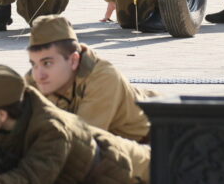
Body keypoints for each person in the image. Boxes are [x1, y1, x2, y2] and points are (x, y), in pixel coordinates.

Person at [0, 64, 150, 184]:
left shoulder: (51, 130)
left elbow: (31, 182)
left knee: (173, 167)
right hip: (102, 156)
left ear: (1, 115)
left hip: (126, 165)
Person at [24, 15, 153, 142]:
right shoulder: (34, 78)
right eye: (34, 64)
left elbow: (81, 144)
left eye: (47, 63)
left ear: (74, 60)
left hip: (157, 139)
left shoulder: (103, 78)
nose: (39, 76)